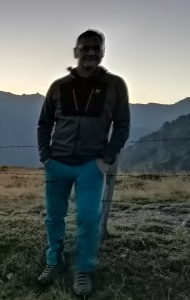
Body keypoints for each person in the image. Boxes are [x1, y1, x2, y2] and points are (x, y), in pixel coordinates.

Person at [36, 29, 130, 296]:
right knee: (54, 218)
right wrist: (46, 157)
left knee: (88, 218)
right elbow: (44, 124)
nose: (90, 52)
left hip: (92, 165)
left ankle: (84, 271)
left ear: (103, 52)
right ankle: (54, 261)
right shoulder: (58, 86)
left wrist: (106, 159)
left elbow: (122, 126)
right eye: (85, 48)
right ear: (76, 52)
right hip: (58, 164)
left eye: (96, 48)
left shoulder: (115, 86)